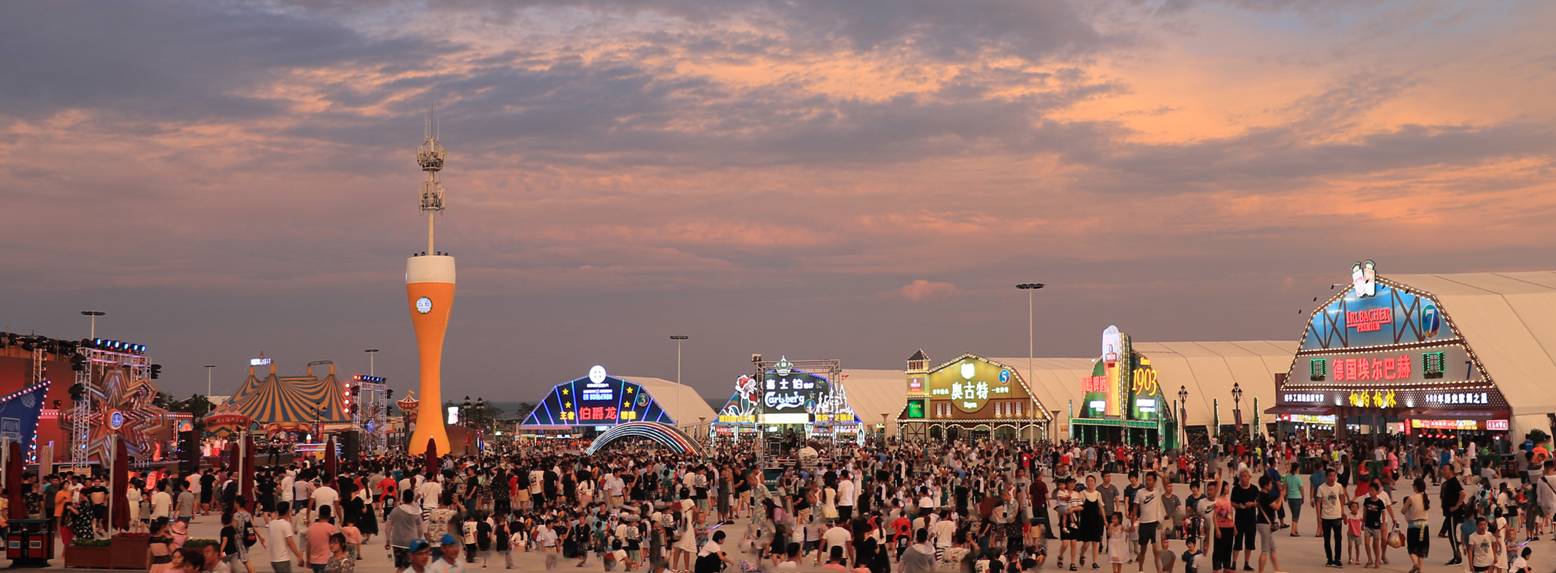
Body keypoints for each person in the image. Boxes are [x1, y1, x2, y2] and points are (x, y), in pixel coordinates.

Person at [1316, 469, 1346, 568]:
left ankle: (1337, 559)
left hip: (1337, 516)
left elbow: (1342, 498)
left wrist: (1342, 511)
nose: (1332, 478)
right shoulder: (1321, 488)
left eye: (1334, 476)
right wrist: (1319, 517)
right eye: (1330, 476)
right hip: (1325, 516)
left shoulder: (1339, 486)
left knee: (1338, 539)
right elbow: (1318, 503)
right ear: (1326, 477)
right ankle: (1329, 559)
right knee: (1327, 539)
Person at [385, 491, 422, 570]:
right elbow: (420, 528)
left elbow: (388, 526)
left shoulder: (395, 510)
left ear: (403, 498)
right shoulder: (416, 512)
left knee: (400, 567)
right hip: (412, 542)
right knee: (411, 567)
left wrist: (388, 540)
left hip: (397, 542)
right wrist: (419, 539)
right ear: (412, 498)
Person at [1400, 478, 1430, 573]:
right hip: (1424, 526)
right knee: (1421, 548)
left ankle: (1415, 564)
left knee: (1412, 548)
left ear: (1416, 487)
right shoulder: (1426, 498)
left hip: (1413, 526)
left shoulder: (1411, 498)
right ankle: (1420, 569)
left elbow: (1403, 511)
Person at [267, 502, 305, 573]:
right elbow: (290, 542)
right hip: (283, 560)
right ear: (288, 511)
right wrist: (299, 556)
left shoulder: (271, 523)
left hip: (273, 559)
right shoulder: (286, 524)